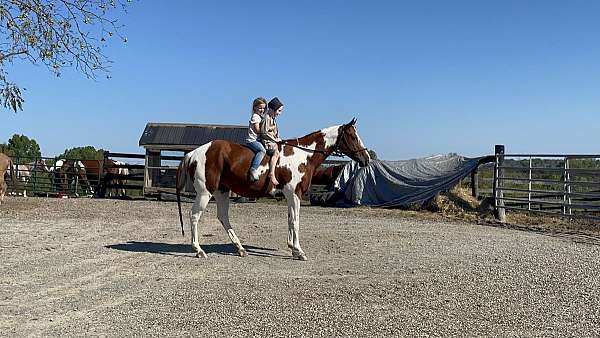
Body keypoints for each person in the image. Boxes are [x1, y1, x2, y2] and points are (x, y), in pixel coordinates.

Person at [261, 97, 284, 186]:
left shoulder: (273, 119)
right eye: (279, 111)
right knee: (276, 153)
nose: (279, 113)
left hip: (272, 140)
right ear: (272, 109)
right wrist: (275, 139)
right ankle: (271, 173)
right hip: (267, 141)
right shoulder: (267, 118)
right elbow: (264, 132)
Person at [245, 97, 267, 181]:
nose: (262, 110)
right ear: (255, 108)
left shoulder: (260, 117)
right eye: (260, 108)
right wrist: (266, 133)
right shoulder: (256, 117)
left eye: (263, 108)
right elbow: (257, 130)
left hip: (257, 140)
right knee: (262, 151)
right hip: (252, 140)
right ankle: (253, 169)